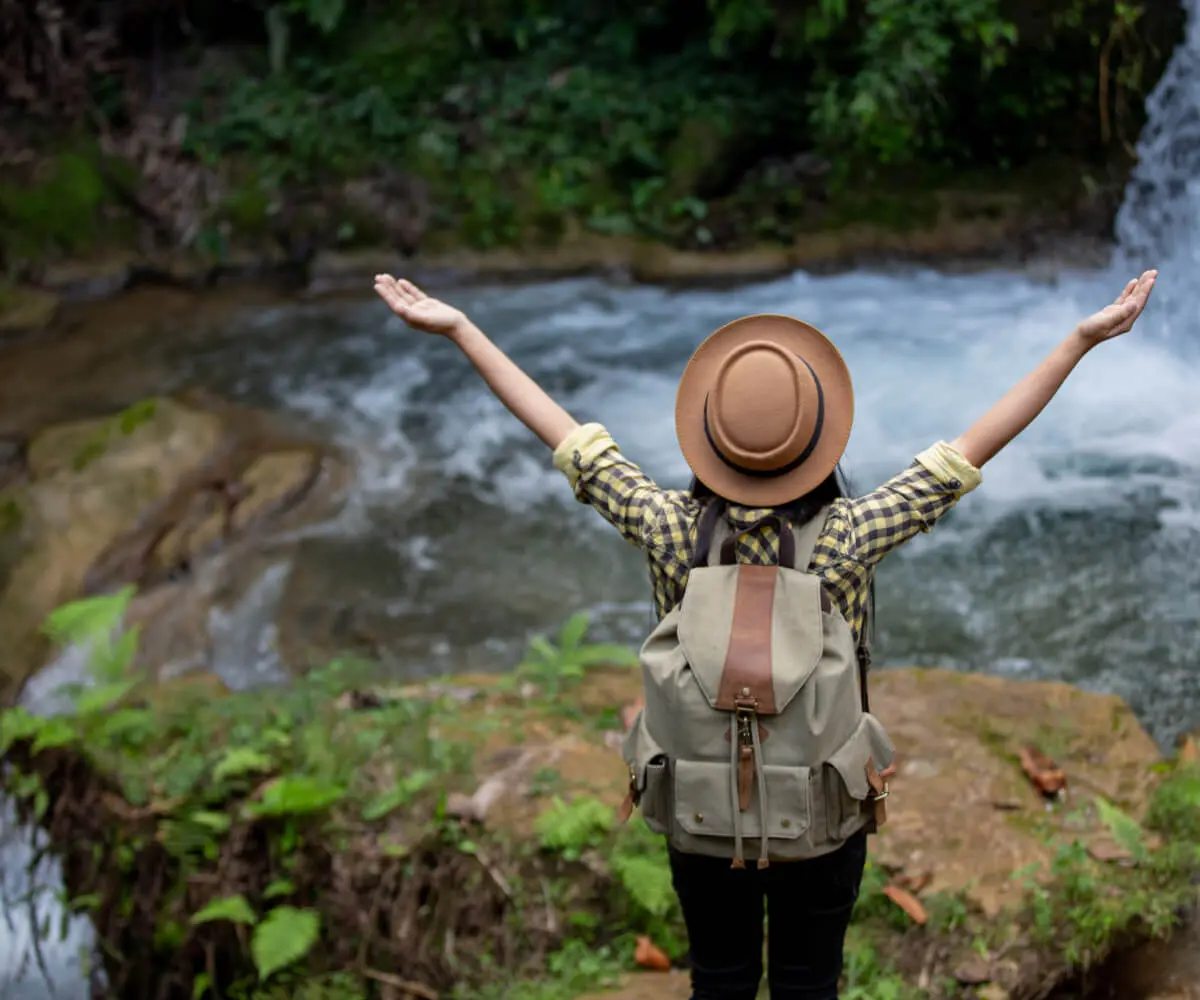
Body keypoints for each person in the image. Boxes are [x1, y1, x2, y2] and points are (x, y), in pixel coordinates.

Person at [372, 268, 1158, 1000]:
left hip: (699, 815)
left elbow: (564, 435)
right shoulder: (854, 535)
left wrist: (462, 329)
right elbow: (970, 451)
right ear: (818, 442)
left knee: (718, 975)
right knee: (810, 981)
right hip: (822, 817)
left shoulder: (665, 527)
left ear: (707, 440)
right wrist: (1078, 342)